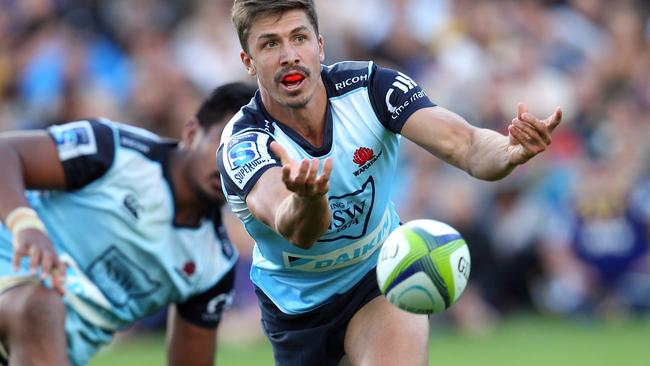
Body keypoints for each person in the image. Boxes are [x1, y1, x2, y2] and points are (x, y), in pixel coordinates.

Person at [217, 1, 562, 365]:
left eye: (298, 38)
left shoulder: (372, 89)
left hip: (380, 274)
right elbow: (298, 229)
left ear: (319, 45)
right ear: (248, 61)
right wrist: (308, 198)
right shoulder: (244, 144)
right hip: (297, 308)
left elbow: (468, 145)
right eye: (270, 44)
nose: (289, 55)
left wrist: (508, 151)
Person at [0, 81, 257, 366]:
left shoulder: (214, 265)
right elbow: (5, 153)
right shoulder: (115, 150)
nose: (230, 164)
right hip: (9, 283)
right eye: (226, 144)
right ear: (191, 133)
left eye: (247, 154)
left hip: (40, 355)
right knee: (41, 305)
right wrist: (24, 224)